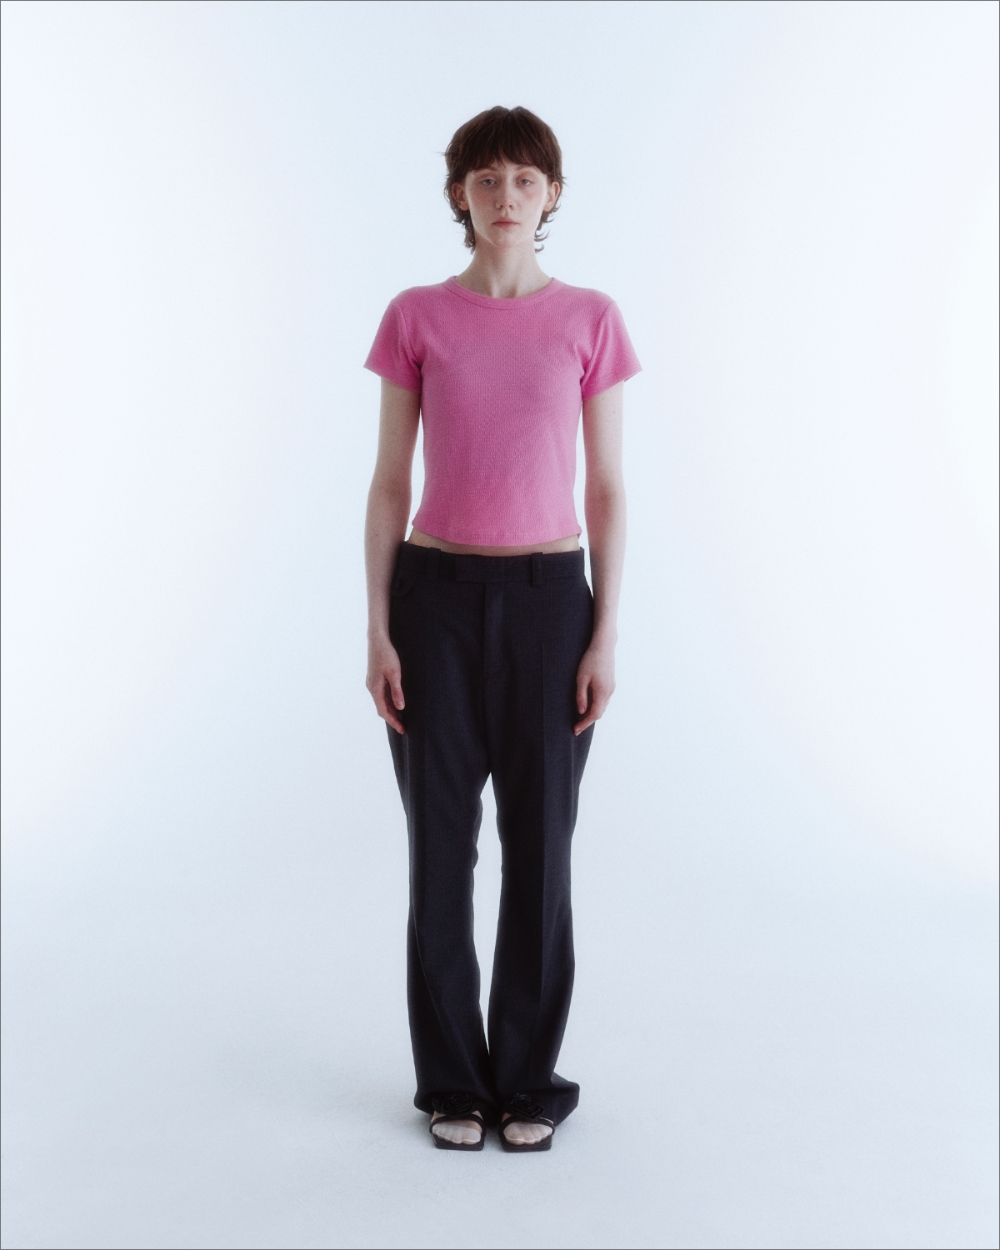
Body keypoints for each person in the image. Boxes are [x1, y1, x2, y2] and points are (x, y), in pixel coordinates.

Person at [363, 105, 641, 1153]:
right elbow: (389, 484)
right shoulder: (416, 316)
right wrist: (378, 628)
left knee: (541, 850)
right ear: (458, 195)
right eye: (485, 179)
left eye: (525, 178)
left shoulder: (591, 319)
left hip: (549, 602)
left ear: (552, 193)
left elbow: (606, 487)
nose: (506, 195)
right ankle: (452, 1081)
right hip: (432, 600)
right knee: (440, 853)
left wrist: (603, 632)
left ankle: (526, 1079)